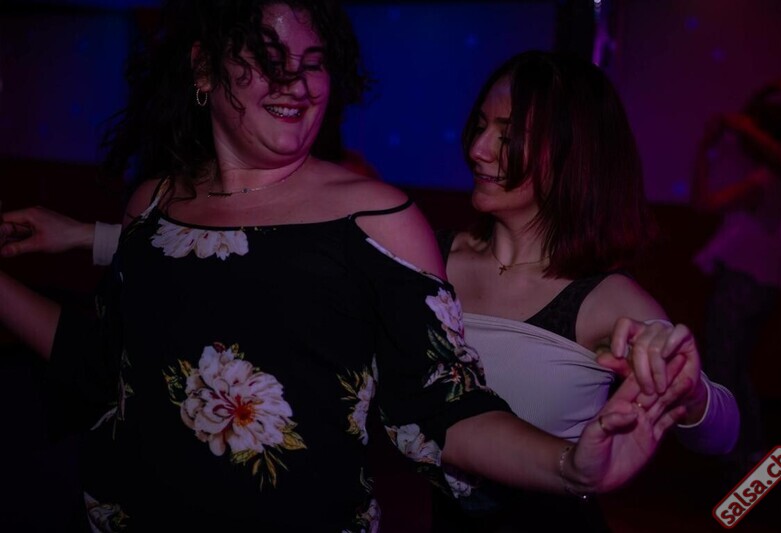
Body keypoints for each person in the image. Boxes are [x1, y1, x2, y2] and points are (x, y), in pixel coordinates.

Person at [0, 2, 694, 530]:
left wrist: (569, 465)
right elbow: (100, 363)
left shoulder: (377, 220)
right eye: (266, 56)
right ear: (204, 68)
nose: (296, 81)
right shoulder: (150, 204)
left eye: (312, 61)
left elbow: (441, 406)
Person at [431, 50, 740, 532]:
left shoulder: (605, 302)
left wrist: (691, 391)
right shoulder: (431, 259)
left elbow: (723, 436)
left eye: (508, 135)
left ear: (572, 156)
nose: (478, 149)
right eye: (481, 126)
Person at [691, 80, 781, 481]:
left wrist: (714, 143)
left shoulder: (766, 177)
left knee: (725, 366)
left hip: (743, 282)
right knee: (735, 367)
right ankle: (749, 454)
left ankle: (741, 455)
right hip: (757, 282)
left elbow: (705, 204)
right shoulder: (774, 175)